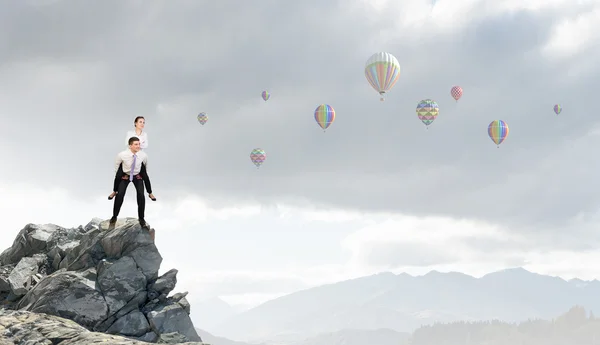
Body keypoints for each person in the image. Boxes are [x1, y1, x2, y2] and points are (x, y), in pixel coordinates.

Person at [108, 116, 156, 201]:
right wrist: (140, 143)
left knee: (145, 176)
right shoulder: (130, 133)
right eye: (140, 122)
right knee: (118, 175)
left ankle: (150, 193)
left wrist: (137, 143)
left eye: (143, 122)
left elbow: (146, 145)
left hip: (139, 157)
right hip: (128, 157)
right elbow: (128, 142)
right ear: (135, 123)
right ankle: (114, 191)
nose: (142, 124)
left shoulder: (145, 134)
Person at [110, 137, 151, 228]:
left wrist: (142, 175)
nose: (138, 146)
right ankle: (114, 216)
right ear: (130, 146)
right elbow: (117, 166)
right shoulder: (122, 155)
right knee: (120, 195)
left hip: (137, 176)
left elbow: (145, 166)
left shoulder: (143, 155)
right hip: (126, 176)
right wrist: (122, 175)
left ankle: (141, 218)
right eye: (136, 144)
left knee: (141, 195)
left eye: (139, 144)